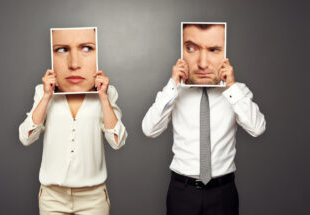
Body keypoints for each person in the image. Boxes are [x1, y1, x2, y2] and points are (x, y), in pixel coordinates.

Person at [142, 24, 266, 215]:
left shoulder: (237, 91)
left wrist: (231, 87)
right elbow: (149, 129)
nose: (202, 63)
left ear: (226, 54)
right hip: (182, 192)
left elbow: (257, 128)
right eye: (191, 48)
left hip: (223, 193)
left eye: (214, 50)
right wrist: (172, 85)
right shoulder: (174, 91)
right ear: (181, 52)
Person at [19, 28, 127, 215]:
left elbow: (117, 142)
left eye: (86, 48)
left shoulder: (107, 93)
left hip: (93, 198)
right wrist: (46, 96)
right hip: (52, 197)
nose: (74, 64)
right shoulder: (42, 92)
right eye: (61, 50)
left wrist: (103, 97)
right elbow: (26, 138)